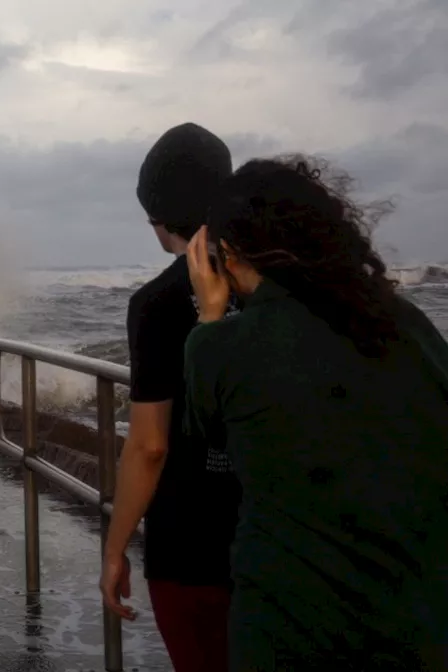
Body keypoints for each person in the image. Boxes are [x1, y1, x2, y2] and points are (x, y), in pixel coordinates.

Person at [184, 155, 448, 671]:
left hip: (289, 625)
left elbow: (208, 444)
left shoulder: (219, 347)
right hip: (419, 621)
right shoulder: (407, 324)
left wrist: (209, 314)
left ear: (228, 257)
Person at [100, 122, 243, 672]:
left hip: (190, 546)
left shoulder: (157, 303)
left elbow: (149, 447)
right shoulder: (279, 288)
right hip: (278, 537)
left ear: (157, 220)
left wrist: (115, 549)